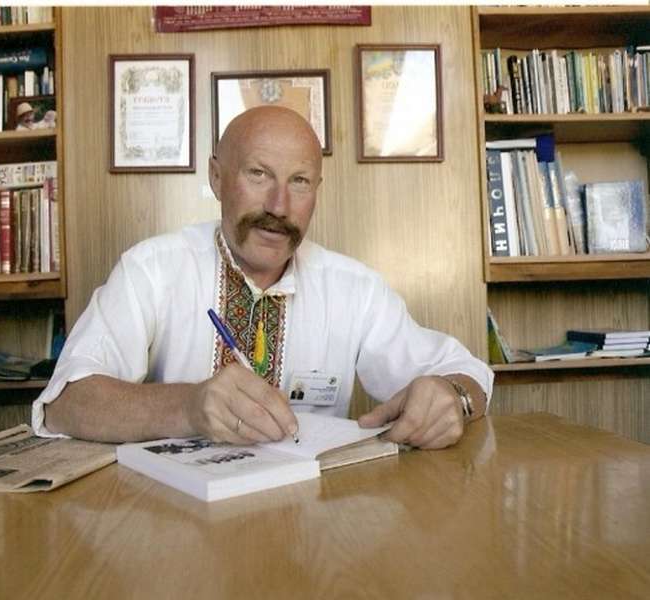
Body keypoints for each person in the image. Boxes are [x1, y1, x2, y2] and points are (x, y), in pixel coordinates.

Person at [34, 106, 493, 450]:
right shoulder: (151, 270)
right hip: (172, 523)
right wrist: (188, 406)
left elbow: (468, 372)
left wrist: (454, 397)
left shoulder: (356, 289)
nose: (278, 206)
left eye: (300, 182)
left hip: (309, 525)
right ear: (217, 177)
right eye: (258, 174)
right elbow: (65, 403)